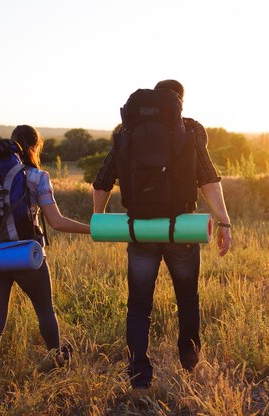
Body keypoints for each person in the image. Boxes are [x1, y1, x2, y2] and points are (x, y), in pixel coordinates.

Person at [92, 80, 232, 394]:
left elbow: (102, 181)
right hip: (181, 228)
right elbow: (208, 176)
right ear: (178, 102)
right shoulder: (190, 129)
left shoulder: (128, 132)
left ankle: (139, 378)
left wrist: (98, 221)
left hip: (140, 230)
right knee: (188, 298)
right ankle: (190, 362)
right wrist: (224, 222)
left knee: (138, 305)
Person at [0, 124, 90, 391]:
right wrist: (91, 228)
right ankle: (57, 364)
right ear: (36, 146)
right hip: (27, 255)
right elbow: (57, 222)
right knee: (45, 311)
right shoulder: (38, 177)